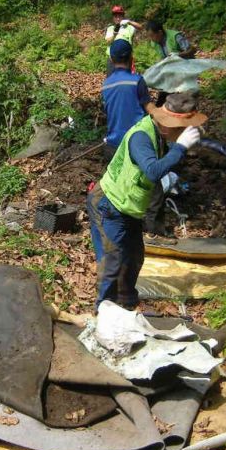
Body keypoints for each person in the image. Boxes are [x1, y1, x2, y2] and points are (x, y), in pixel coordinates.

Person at [87, 92, 206, 310]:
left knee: (133, 258)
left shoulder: (160, 135)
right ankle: (103, 313)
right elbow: (152, 171)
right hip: (109, 204)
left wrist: (182, 143)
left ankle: (127, 307)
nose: (182, 134)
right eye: (181, 129)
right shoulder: (141, 137)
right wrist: (180, 147)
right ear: (168, 125)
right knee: (113, 261)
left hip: (129, 208)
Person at [101, 39, 153, 166]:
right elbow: (150, 110)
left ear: (112, 60)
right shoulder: (137, 81)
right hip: (136, 142)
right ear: (131, 58)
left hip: (113, 144)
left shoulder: (105, 85)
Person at [104, 5, 143, 75]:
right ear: (113, 18)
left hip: (126, 60)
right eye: (116, 17)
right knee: (111, 79)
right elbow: (108, 41)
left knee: (127, 79)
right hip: (112, 60)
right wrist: (114, 34)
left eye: (120, 16)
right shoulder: (110, 28)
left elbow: (140, 27)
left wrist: (129, 22)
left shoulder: (129, 27)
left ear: (123, 17)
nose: (118, 19)